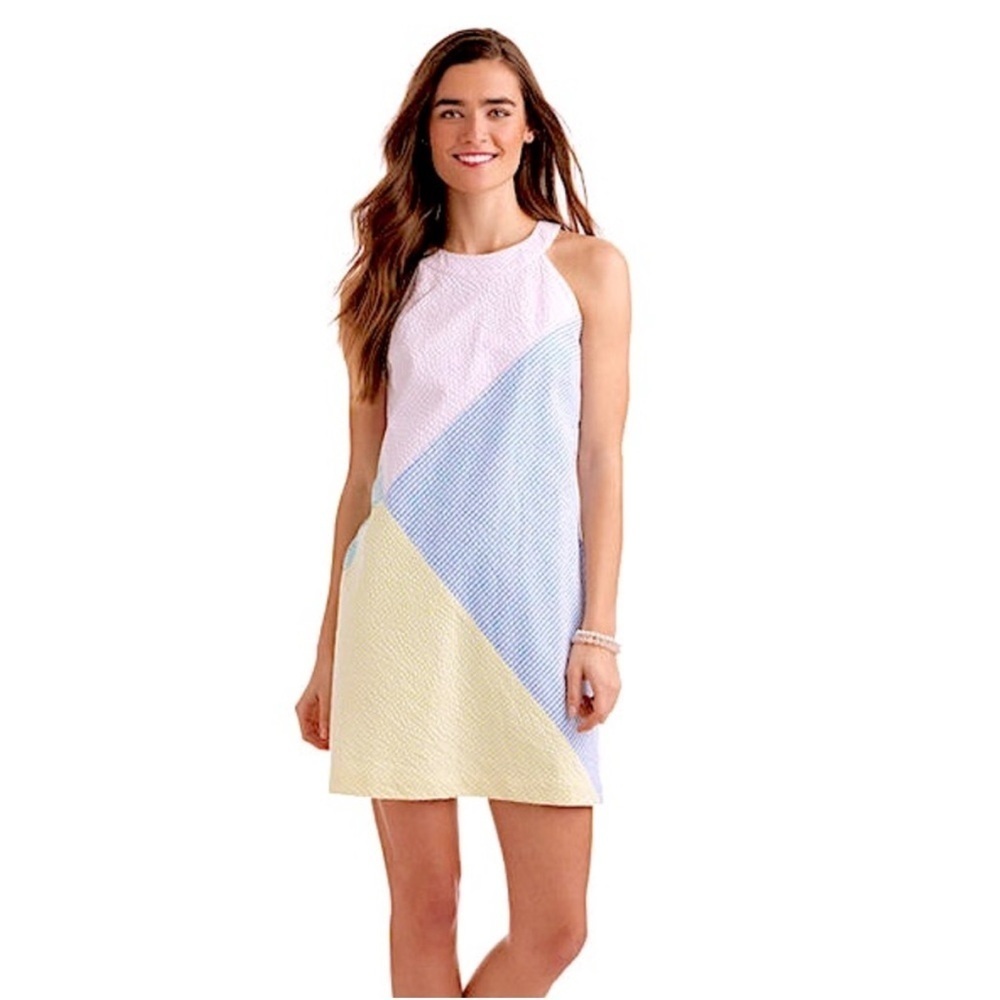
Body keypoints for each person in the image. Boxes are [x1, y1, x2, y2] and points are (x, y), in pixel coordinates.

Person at [295, 26, 630, 998]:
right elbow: (362, 480)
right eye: (451, 112)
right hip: (399, 615)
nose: (473, 131)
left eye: (495, 110)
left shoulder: (588, 270)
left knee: (556, 927)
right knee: (426, 905)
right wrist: (327, 654)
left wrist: (598, 630)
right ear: (425, 131)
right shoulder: (384, 281)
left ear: (529, 130)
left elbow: (601, 461)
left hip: (533, 622)